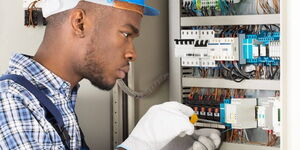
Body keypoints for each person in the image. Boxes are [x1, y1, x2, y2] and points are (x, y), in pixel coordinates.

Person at [0, 0, 221, 149]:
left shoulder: (56, 101)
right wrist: (139, 143)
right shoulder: (10, 102)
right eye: (126, 34)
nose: (132, 53)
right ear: (79, 23)